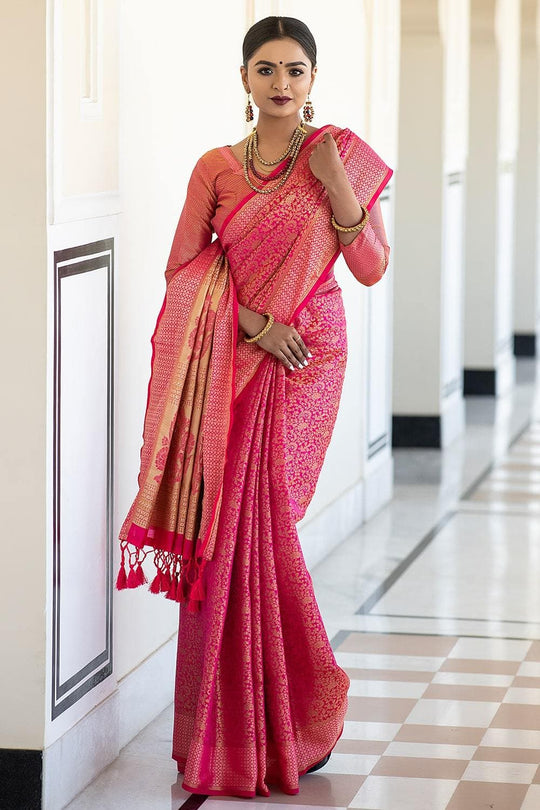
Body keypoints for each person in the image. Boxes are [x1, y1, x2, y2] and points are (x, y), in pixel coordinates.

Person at [115, 14, 392, 799]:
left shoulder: (338, 154)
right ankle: (233, 731)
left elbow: (369, 266)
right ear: (244, 80)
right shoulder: (216, 168)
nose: (281, 83)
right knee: (226, 539)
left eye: (295, 70)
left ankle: (298, 716)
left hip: (309, 360)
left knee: (264, 520)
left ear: (312, 80)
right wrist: (255, 324)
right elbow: (182, 275)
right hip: (235, 360)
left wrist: (340, 191)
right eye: (266, 69)